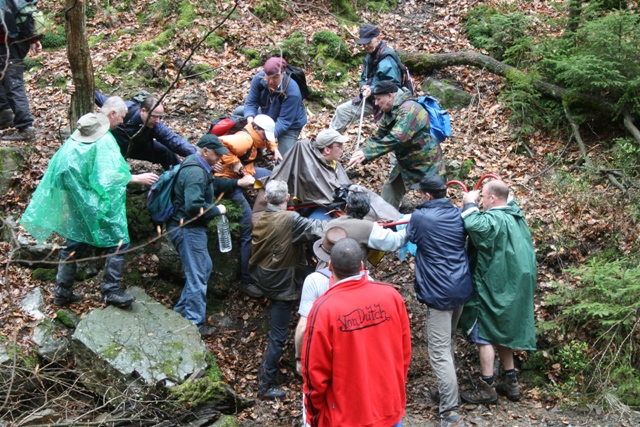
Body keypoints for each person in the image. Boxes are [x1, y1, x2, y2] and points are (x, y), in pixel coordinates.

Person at [21, 109, 159, 307]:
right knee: (118, 242)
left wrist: (78, 194)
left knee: (73, 245)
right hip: (98, 204)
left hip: (77, 205)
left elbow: (59, 174)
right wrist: (135, 178)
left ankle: (62, 292)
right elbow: (108, 175)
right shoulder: (103, 143)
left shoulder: (70, 145)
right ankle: (110, 290)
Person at [301, 238, 412, 427]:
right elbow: (404, 354)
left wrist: (313, 418)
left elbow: (314, 374)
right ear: (361, 266)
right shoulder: (391, 296)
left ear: (329, 266)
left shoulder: (323, 309)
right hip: (389, 408)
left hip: (346, 417)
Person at [458, 180, 537, 404]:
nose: (481, 200)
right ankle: (511, 382)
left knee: (483, 335)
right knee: (501, 331)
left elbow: (474, 225)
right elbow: (510, 202)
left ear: (492, 198)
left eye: (483, 196)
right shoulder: (516, 217)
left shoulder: (494, 219)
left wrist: (469, 203)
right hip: (513, 287)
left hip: (494, 287)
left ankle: (487, 387)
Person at [168, 134, 255, 333]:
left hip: (189, 228)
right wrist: (217, 210)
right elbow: (193, 207)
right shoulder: (195, 173)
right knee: (198, 276)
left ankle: (180, 312)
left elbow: (213, 185)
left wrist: (236, 184)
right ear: (205, 151)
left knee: (203, 269)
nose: (220, 159)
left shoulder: (197, 165)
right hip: (187, 230)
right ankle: (194, 325)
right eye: (217, 154)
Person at [249, 179, 325, 400]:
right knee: (278, 335)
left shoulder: (262, 216)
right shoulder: (290, 219)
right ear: (287, 198)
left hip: (263, 276)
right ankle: (266, 383)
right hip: (281, 283)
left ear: (265, 199)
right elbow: (318, 229)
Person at [406, 174, 472, 427]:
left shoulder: (421, 216)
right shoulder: (458, 214)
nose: (419, 195)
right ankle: (448, 394)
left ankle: (450, 412)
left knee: (440, 351)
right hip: (460, 287)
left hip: (439, 293)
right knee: (448, 343)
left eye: (421, 192)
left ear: (428, 195)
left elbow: (411, 237)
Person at [213, 114, 282, 297]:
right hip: (228, 181)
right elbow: (219, 142)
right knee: (247, 227)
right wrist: (234, 164)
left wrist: (274, 149)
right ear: (257, 129)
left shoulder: (257, 135)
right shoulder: (244, 139)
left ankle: (271, 207)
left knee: (270, 175)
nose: (267, 139)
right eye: (265, 135)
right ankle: (246, 279)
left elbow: (271, 139)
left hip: (247, 173)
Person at [348, 80, 446, 209]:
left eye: (378, 99)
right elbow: (378, 136)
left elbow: (398, 137)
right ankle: (386, 220)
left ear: (390, 95)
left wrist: (367, 153)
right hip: (406, 162)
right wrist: (361, 152)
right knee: (390, 190)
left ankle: (442, 222)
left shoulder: (410, 108)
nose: (376, 103)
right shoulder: (389, 112)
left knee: (434, 198)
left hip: (426, 162)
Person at [295, 226, 348, 427]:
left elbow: (303, 326)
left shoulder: (315, 280)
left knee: (314, 405)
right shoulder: (367, 280)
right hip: (349, 354)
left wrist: (299, 358)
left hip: (320, 351)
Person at [330, 24, 405, 134]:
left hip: (390, 99)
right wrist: (363, 86)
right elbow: (364, 78)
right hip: (371, 98)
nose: (366, 46)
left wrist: (372, 89)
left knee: (393, 131)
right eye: (363, 44)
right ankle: (329, 144)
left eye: (369, 42)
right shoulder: (369, 56)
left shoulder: (387, 58)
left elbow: (392, 84)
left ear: (378, 39)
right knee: (342, 111)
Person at [95, 91, 196, 170]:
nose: (158, 121)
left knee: (167, 152)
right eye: (155, 117)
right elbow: (99, 98)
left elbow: (174, 141)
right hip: (115, 147)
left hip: (139, 147)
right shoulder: (125, 110)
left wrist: (199, 156)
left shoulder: (156, 125)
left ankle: (176, 179)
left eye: (160, 117)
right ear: (143, 111)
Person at [322, 190, 408, 266]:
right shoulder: (369, 227)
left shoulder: (331, 224)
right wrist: (411, 226)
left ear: (346, 207)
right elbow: (395, 241)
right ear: (367, 211)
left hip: (322, 272)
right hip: (348, 276)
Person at [242, 57, 307, 155]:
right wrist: (250, 120)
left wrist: (267, 137)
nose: (271, 81)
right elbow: (251, 103)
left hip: (290, 125)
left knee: (285, 159)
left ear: (283, 74)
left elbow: (284, 121)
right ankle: (255, 150)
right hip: (268, 115)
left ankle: (259, 144)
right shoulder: (258, 79)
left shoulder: (292, 92)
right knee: (240, 112)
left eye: (275, 77)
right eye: (268, 76)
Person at [0, 25, 42, 141]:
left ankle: (26, 128)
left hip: (9, 44)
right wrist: (34, 39)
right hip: (17, 41)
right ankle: (5, 115)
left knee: (13, 84)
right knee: (6, 80)